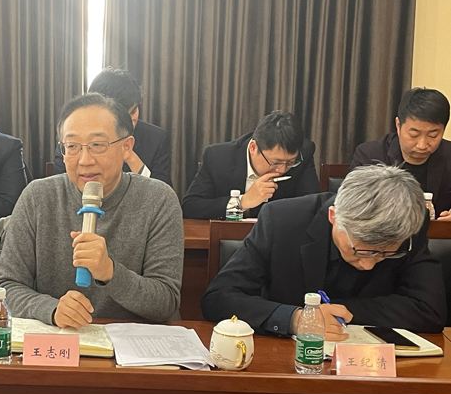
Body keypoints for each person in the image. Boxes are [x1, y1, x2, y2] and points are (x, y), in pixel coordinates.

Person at [0, 92, 184, 327]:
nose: (85, 160)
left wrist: (109, 271)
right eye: (72, 146)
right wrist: (51, 310)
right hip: (59, 338)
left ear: (126, 147)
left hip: (131, 342)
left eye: (97, 145)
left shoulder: (159, 200)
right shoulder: (37, 196)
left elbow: (166, 302)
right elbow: (6, 287)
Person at [202, 165, 446, 338]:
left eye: (386, 254)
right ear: (334, 216)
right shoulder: (283, 221)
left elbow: (430, 311)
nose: (369, 264)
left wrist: (338, 313)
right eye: (361, 251)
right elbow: (219, 297)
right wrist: (295, 318)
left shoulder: (409, 226)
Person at [181, 110, 319, 219]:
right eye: (275, 162)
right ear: (253, 147)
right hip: (228, 238)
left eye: (290, 162)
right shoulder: (218, 157)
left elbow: (312, 207)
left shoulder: (304, 153)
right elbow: (190, 207)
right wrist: (242, 202)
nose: (282, 169)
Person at [53, 67, 172, 186]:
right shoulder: (71, 139)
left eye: (133, 111)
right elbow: (62, 188)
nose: (130, 121)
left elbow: (162, 193)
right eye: (121, 117)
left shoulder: (156, 138)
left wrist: (127, 151)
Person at [350, 87, 451, 218]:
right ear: (398, 125)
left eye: (433, 135)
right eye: (414, 135)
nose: (422, 145)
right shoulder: (370, 155)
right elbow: (352, 207)